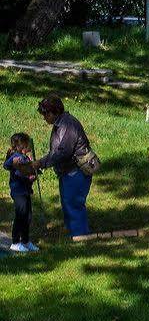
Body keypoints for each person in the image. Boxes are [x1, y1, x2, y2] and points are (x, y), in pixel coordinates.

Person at [36, 95, 92, 238]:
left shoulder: (67, 125)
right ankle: (72, 235)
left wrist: (41, 163)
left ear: (52, 112)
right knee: (67, 203)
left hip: (76, 171)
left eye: (45, 114)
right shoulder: (61, 123)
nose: (44, 118)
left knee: (74, 204)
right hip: (68, 172)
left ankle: (80, 237)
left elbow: (62, 152)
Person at [6, 131, 37, 253]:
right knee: (20, 215)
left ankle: (25, 240)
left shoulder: (25, 157)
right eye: (25, 146)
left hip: (26, 190)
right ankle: (15, 242)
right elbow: (7, 165)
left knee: (28, 216)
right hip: (18, 192)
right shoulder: (15, 157)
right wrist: (14, 162)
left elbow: (27, 172)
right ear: (19, 147)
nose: (28, 147)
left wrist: (32, 176)